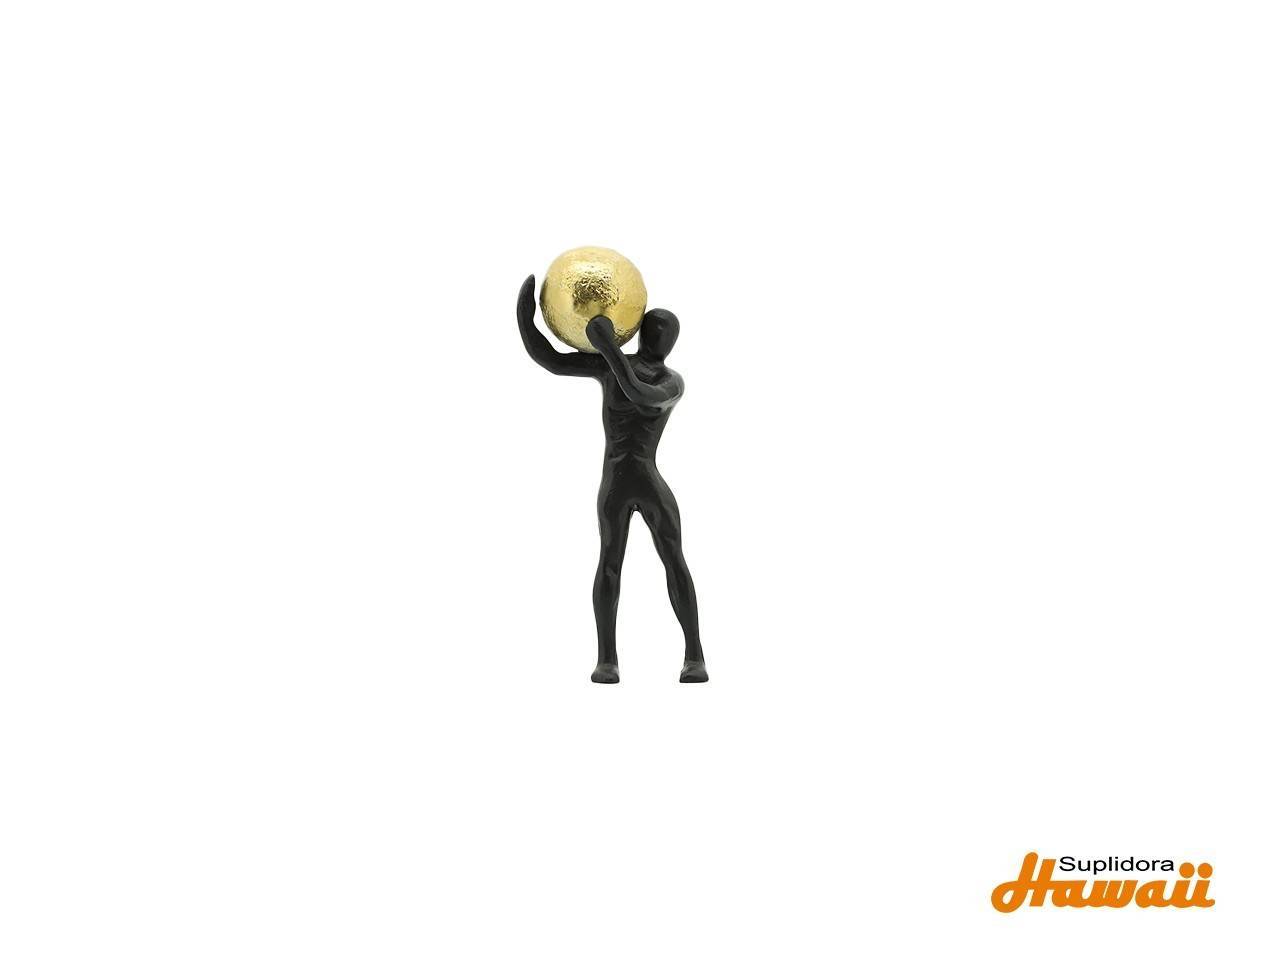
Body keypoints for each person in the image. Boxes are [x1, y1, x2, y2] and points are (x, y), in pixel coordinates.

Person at [516, 275, 708, 683]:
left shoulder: (671, 382)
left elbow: (639, 393)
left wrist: (607, 347)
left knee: (674, 560)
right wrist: (525, 316)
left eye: (664, 333)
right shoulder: (611, 365)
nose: (657, 338)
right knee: (609, 563)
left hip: (648, 479)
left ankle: (695, 656)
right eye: (653, 330)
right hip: (616, 483)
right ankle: (607, 660)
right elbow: (551, 359)